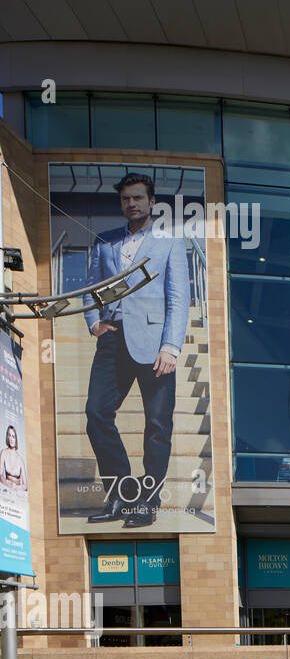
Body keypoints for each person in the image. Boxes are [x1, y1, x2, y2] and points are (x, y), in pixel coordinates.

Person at [83, 172, 190, 529]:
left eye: (138, 198)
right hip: (112, 340)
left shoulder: (170, 244)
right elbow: (90, 288)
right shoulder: (105, 242)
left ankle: (150, 501)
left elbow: (178, 299)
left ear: (151, 202)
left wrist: (171, 346)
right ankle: (121, 494)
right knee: (96, 414)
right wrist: (94, 322)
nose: (132, 203)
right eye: (126, 198)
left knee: (158, 426)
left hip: (155, 345)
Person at [0, 425, 26, 491]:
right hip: (7, 488)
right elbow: (0, 475)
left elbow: (25, 485)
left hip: (18, 490)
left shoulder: (20, 459)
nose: (11, 439)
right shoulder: (4, 453)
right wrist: (7, 484)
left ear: (16, 439)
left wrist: (16, 488)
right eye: (10, 435)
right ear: (7, 437)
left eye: (13, 436)